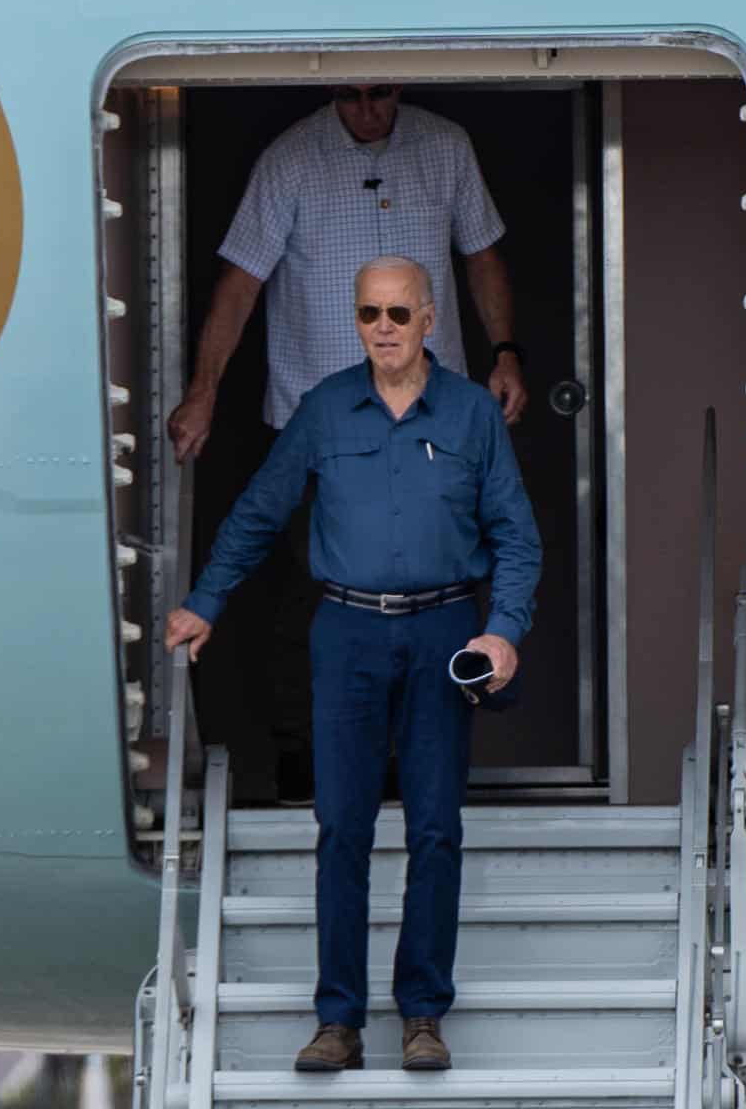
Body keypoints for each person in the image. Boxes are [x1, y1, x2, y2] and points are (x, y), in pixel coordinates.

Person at [163, 256, 541, 1074]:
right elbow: (259, 511)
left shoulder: (473, 415)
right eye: (369, 313)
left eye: (399, 315)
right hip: (347, 634)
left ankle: (422, 1016)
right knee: (342, 828)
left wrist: (503, 631)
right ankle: (337, 1019)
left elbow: (516, 536)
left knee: (436, 829)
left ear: (431, 320)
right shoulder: (326, 410)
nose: (383, 329)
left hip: (445, 632)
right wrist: (207, 602)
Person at [167, 84, 526, 804]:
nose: (367, 110)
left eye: (380, 96)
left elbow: (483, 256)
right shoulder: (290, 159)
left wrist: (507, 352)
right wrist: (204, 389)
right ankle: (309, 763)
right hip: (320, 412)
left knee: (436, 586)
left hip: (432, 413)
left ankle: (419, 763)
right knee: (316, 594)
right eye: (352, 97)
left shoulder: (445, 144)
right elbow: (240, 285)